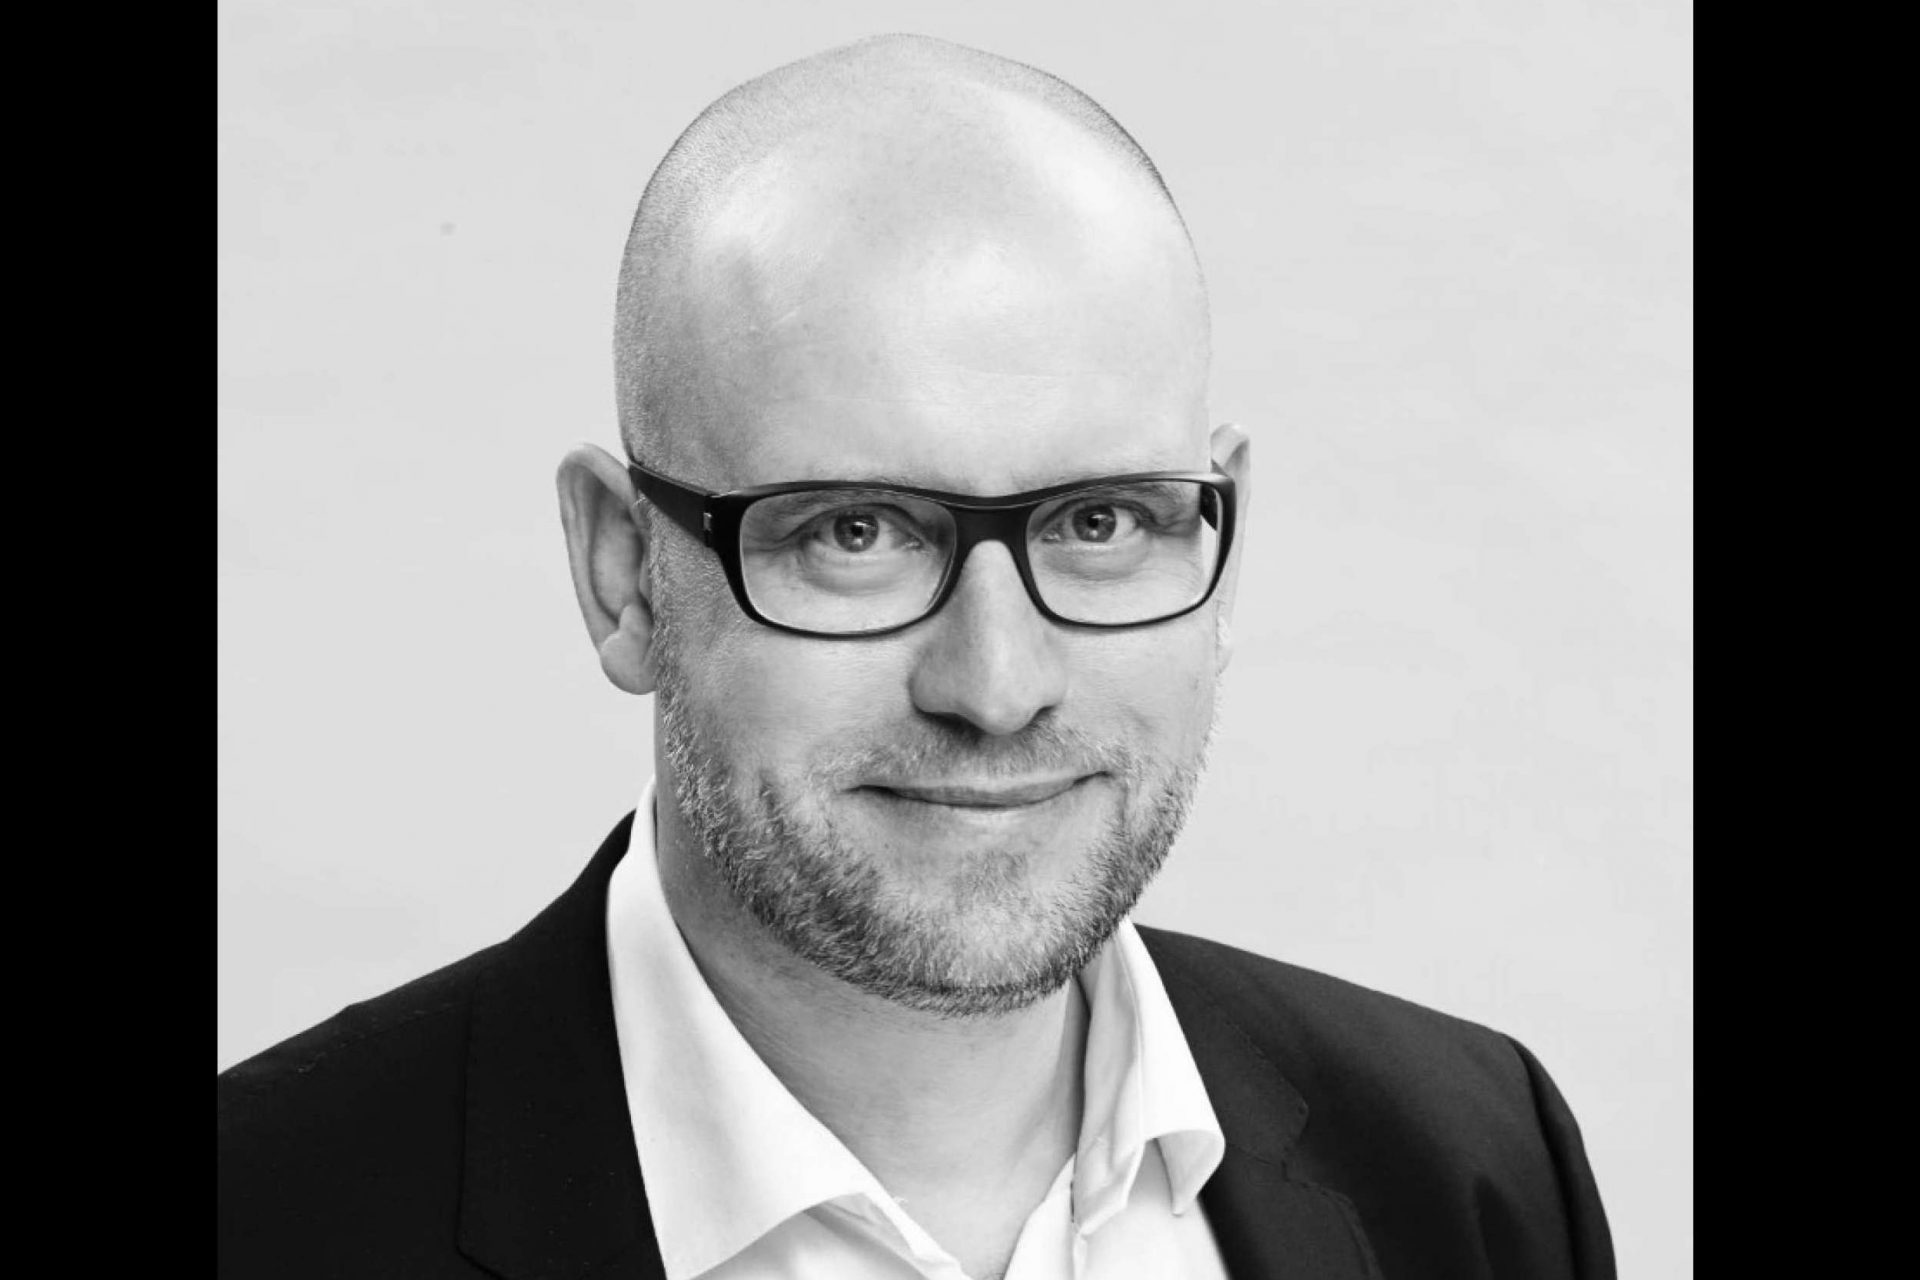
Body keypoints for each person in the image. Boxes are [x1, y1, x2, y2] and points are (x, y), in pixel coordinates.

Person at [218, 33, 1614, 1280]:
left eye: (1100, 522)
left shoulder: (1472, 1169)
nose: (997, 687)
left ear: (1222, 547)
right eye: (857, 532)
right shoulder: (264, 1218)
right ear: (623, 573)